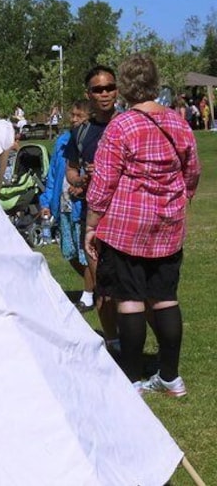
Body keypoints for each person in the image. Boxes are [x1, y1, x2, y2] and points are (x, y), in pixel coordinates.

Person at [86, 53, 200, 396]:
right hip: (168, 223)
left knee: (130, 301)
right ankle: (170, 377)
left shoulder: (121, 126)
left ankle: (134, 380)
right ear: (154, 82)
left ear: (125, 87)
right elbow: (191, 172)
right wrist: (180, 200)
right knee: (165, 298)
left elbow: (104, 181)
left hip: (126, 226)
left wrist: (92, 224)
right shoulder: (179, 123)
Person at [64, 65, 118, 349]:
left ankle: (136, 341)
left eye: (109, 87)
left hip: (126, 215)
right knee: (102, 286)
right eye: (98, 89)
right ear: (89, 94)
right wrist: (83, 177)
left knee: (134, 288)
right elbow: (71, 173)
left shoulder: (128, 123)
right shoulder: (81, 133)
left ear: (117, 90)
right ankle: (113, 341)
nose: (105, 93)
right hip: (94, 218)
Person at [40, 100, 93, 310]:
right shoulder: (62, 141)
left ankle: (88, 294)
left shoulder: (93, 142)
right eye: (72, 115)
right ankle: (96, 284)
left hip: (82, 207)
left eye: (78, 116)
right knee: (69, 251)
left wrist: (82, 187)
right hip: (62, 205)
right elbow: (52, 177)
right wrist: (45, 202)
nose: (73, 119)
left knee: (85, 251)